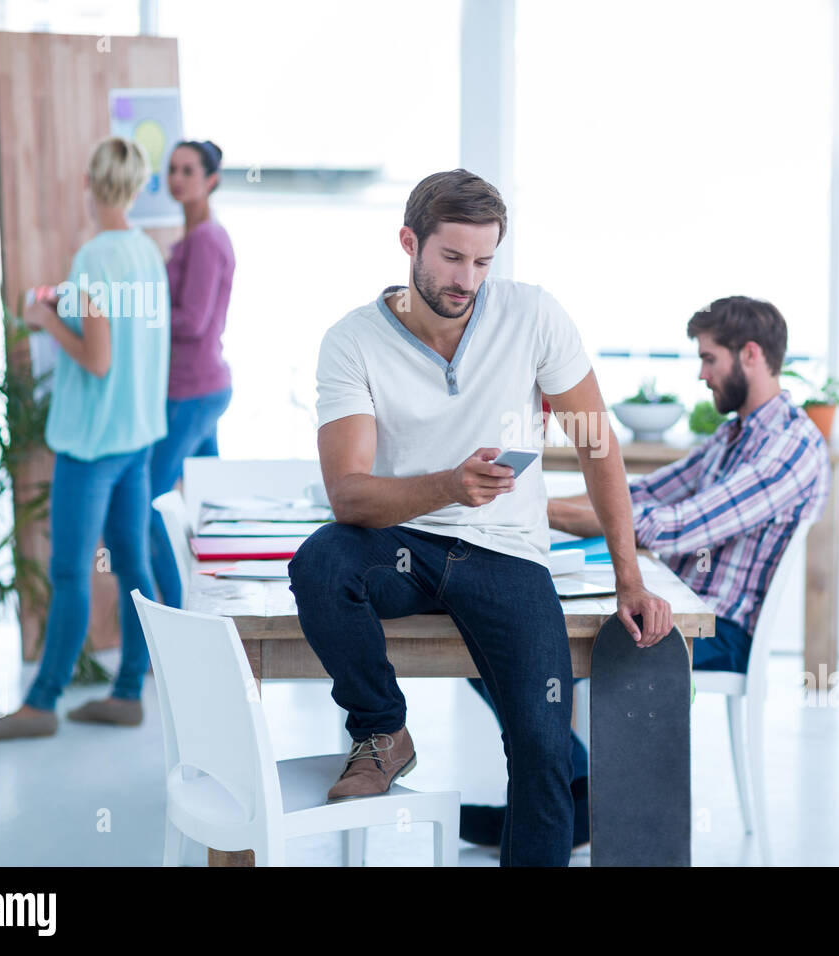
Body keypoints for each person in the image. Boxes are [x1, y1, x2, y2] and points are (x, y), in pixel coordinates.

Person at [286, 168, 673, 867]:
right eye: (452, 258)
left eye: (484, 261)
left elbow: (597, 447)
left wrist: (630, 579)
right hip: (400, 544)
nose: (468, 279)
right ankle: (382, 731)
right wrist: (447, 486)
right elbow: (348, 495)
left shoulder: (533, 315)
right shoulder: (352, 342)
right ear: (410, 243)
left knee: (544, 743)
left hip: (507, 556)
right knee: (320, 562)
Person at [460, 295, 833, 847]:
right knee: (485, 632)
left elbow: (677, 525)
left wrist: (534, 510)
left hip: (715, 633)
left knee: (505, 642)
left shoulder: (789, 447)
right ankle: (571, 790)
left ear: (750, 354)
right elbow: (639, 495)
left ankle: (560, 799)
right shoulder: (737, 435)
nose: (703, 375)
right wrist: (528, 496)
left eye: (710, 359)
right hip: (675, 606)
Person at [0, 138, 169, 739]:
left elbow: (99, 359)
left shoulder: (92, 259)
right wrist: (69, 304)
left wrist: (46, 319)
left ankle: (40, 705)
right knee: (132, 565)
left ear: (90, 183)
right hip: (135, 437)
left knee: (68, 574)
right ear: (135, 188)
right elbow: (131, 339)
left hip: (91, 444)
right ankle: (130, 688)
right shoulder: (146, 253)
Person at [148, 140, 235, 608]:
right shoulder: (196, 237)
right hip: (201, 388)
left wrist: (138, 314)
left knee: (150, 505)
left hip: (192, 391)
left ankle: (178, 618)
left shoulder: (204, 239)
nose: (177, 178)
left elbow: (192, 321)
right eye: (172, 169)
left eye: (187, 170)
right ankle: (213, 617)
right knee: (208, 510)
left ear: (211, 180)